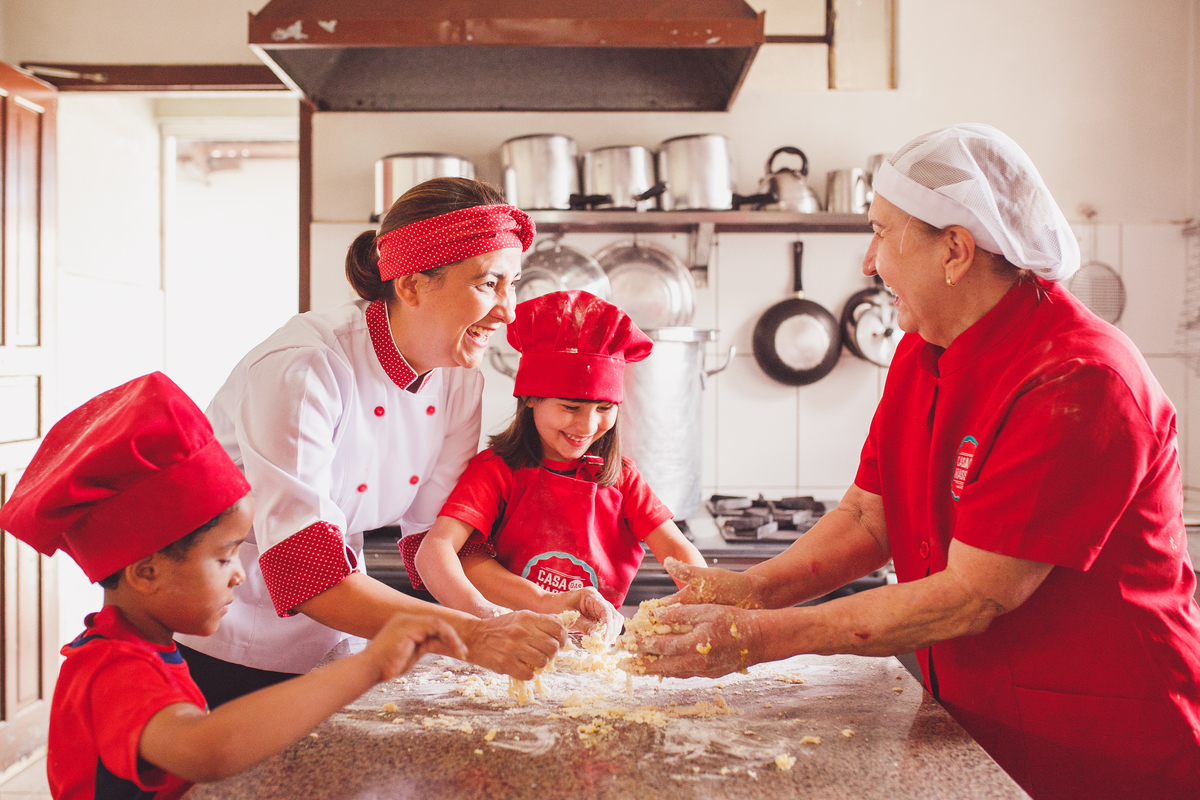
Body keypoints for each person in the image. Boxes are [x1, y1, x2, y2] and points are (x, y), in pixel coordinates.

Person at [627, 124, 1200, 799]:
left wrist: (759, 634)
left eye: (880, 234)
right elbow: (870, 516)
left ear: (954, 250)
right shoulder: (924, 348)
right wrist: (749, 591)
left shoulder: (1079, 378)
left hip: (1103, 749)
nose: (868, 263)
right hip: (978, 728)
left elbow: (975, 594)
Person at [173, 178, 570, 708]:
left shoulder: (456, 377)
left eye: (513, 284)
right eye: (488, 284)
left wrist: (540, 608)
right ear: (410, 285)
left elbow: (440, 542)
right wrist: (473, 636)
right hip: (225, 632)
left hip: (337, 633)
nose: (509, 311)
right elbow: (306, 570)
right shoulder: (305, 368)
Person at [0, 372, 466, 800]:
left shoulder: (142, 647)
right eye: (223, 557)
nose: (240, 574)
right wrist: (369, 666)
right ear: (146, 572)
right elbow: (207, 750)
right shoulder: (113, 671)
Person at [405, 290, 707, 637]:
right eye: (570, 408)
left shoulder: (621, 478)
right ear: (531, 398)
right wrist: (488, 618)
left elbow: (677, 551)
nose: (587, 427)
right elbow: (435, 551)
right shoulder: (497, 471)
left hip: (595, 654)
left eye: (604, 409)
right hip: (506, 645)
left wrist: (699, 601)